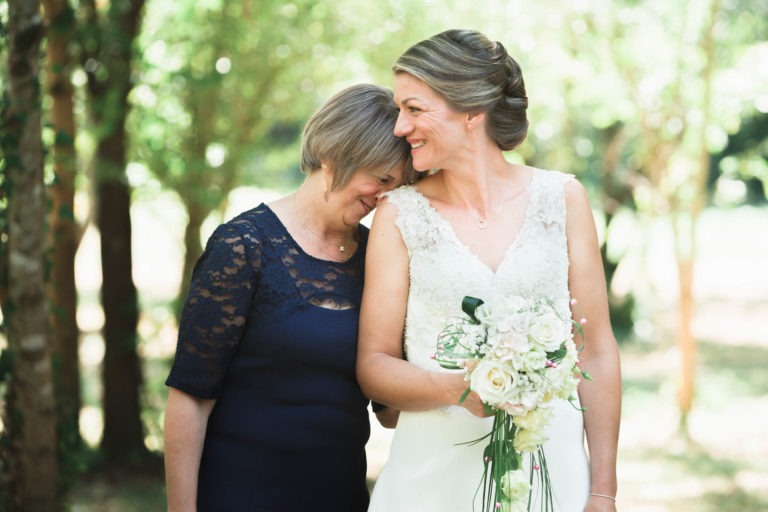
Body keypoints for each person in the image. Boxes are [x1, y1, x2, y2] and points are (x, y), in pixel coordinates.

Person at [356, 29, 621, 512]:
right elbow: (373, 365)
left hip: (551, 469)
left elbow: (597, 353)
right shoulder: (399, 214)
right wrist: (459, 387)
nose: (399, 127)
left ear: (472, 111)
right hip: (432, 476)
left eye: (414, 109)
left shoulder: (562, 199)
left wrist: (603, 489)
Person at [163, 83, 415, 512]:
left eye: (396, 186)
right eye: (381, 178)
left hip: (341, 494)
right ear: (336, 153)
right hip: (242, 492)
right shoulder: (243, 245)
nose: (383, 197)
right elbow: (190, 397)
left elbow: (388, 411)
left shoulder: (380, 256)